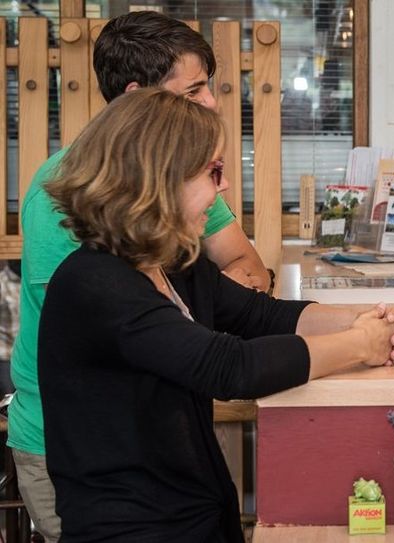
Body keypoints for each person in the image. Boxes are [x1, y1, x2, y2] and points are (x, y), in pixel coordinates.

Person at [39, 87, 394, 542]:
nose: (225, 186)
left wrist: (377, 320)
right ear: (160, 177)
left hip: (197, 515)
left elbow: (263, 316)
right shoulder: (94, 284)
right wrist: (358, 344)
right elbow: (230, 367)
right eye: (213, 172)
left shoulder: (175, 262)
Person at [8, 11, 268, 541]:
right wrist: (211, 352)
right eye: (193, 90)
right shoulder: (71, 195)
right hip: (74, 447)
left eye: (210, 87)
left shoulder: (183, 180)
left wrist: (208, 345)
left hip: (164, 433)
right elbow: (118, 332)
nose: (212, 103)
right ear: (136, 97)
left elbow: (249, 272)